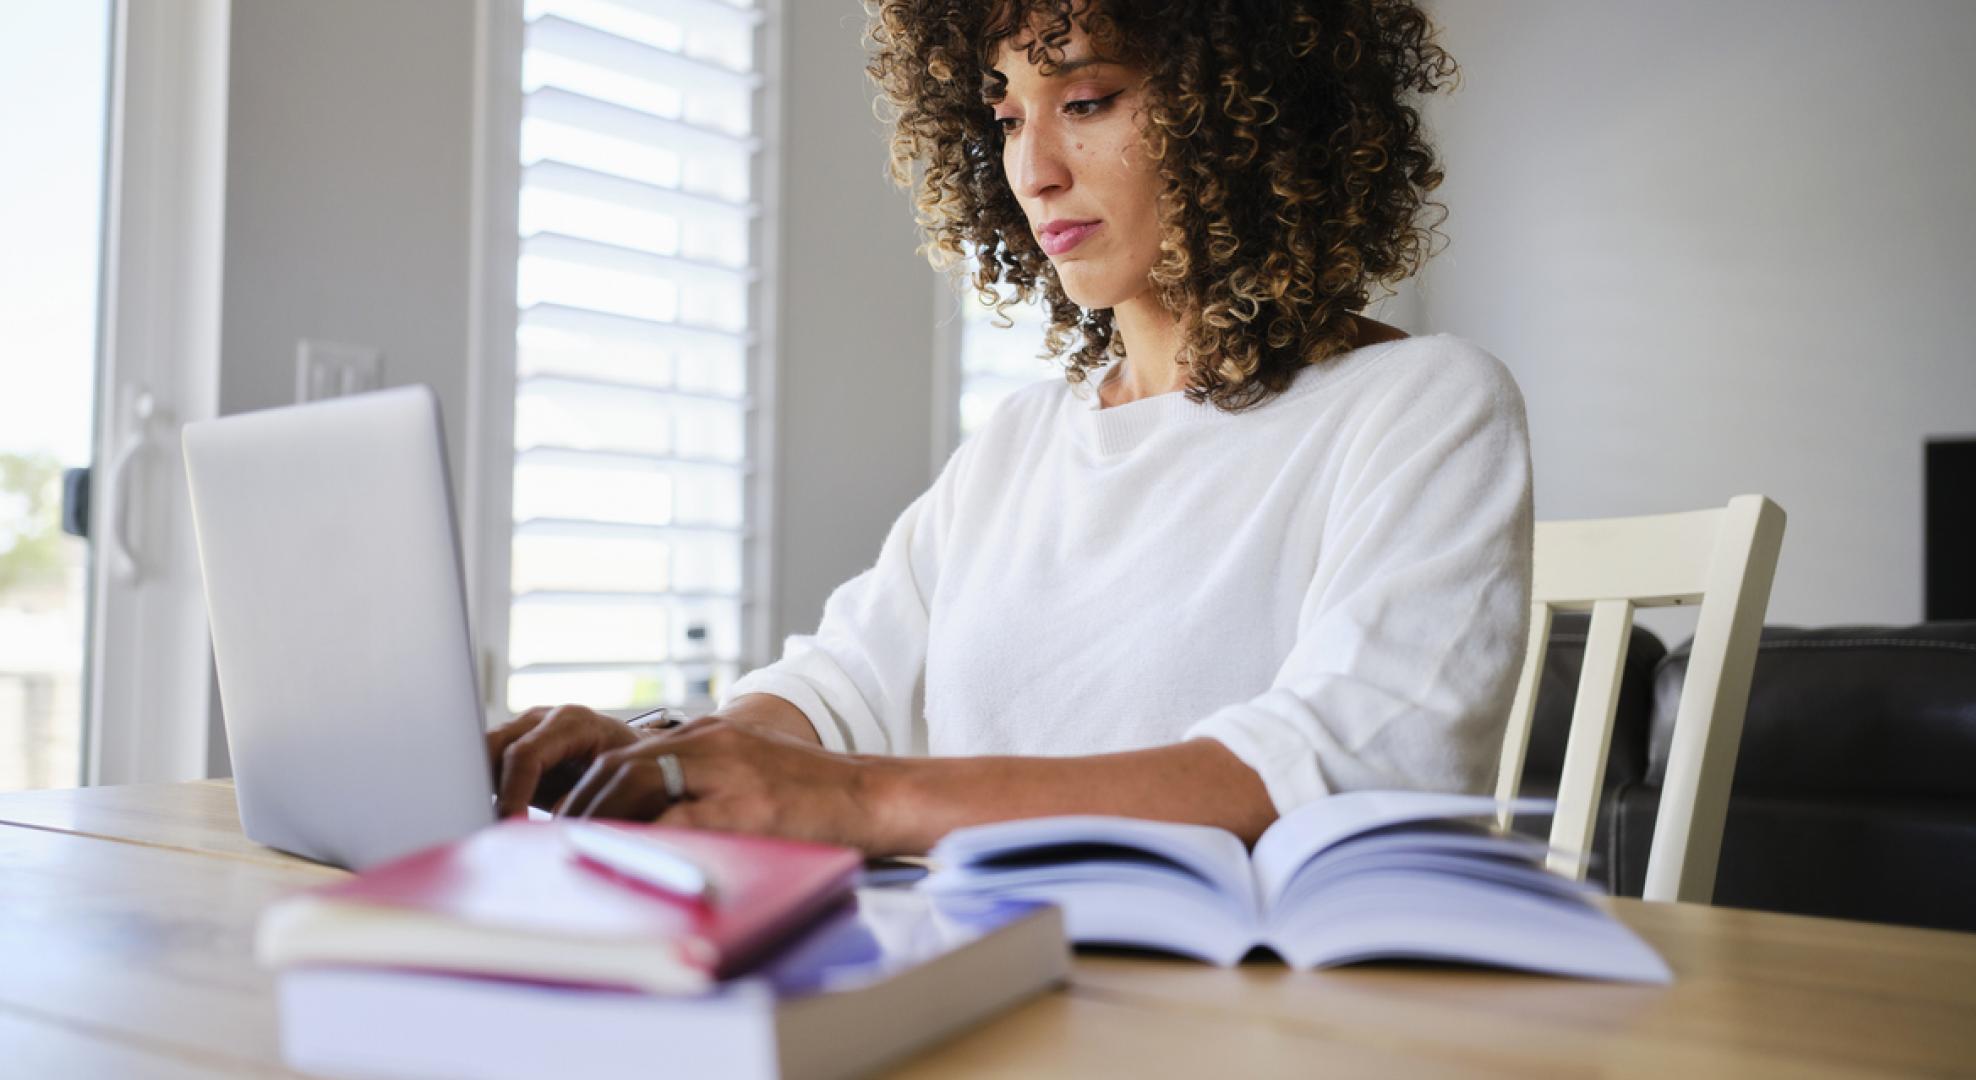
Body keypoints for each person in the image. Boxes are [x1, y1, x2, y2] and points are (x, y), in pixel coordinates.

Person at [487, 0, 1531, 857]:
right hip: (987, 979)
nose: (1031, 170)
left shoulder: (1421, 404)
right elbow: (840, 690)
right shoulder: (1020, 443)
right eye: (1002, 116)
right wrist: (661, 756)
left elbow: (1355, 763)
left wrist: (861, 802)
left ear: (1251, 110)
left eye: (1084, 98)